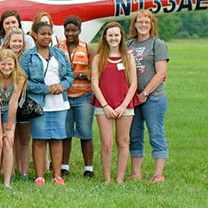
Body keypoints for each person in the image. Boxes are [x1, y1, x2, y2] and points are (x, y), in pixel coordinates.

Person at [20, 22, 74, 186]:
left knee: (57, 139)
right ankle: (39, 176)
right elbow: (23, 81)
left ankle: (57, 175)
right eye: (42, 33)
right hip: (39, 103)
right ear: (34, 35)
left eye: (49, 34)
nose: (46, 37)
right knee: (40, 139)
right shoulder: (28, 56)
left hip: (59, 103)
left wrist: (62, 86)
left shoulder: (59, 53)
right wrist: (45, 89)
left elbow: (69, 76)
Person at [91, 22, 139, 184]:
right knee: (106, 143)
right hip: (103, 106)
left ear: (121, 37)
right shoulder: (99, 58)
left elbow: (133, 84)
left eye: (116, 35)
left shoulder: (128, 57)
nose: (113, 38)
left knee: (123, 141)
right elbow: (94, 84)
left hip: (124, 106)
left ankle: (119, 179)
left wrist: (123, 105)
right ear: (105, 37)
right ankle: (107, 179)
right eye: (110, 35)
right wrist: (105, 106)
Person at [127, 9, 169, 183]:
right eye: (140, 21)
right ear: (135, 24)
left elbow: (161, 73)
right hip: (133, 98)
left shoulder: (157, 44)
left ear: (152, 25)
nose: (143, 25)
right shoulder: (128, 45)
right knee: (135, 135)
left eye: (147, 22)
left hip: (153, 98)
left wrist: (145, 93)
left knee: (155, 133)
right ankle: (136, 172)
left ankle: (158, 174)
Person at [57, 16, 95, 178]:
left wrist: (74, 73)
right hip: (64, 96)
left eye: (74, 30)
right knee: (65, 133)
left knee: (85, 133)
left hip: (83, 96)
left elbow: (91, 73)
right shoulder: (58, 47)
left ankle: (89, 169)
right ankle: (64, 167)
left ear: (80, 30)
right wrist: (77, 74)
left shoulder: (87, 48)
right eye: (67, 30)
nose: (70, 33)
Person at [0, 50, 25, 189]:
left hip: (8, 111)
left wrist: (8, 128)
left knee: (8, 142)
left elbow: (14, 103)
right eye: (3, 64)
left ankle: (7, 182)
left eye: (10, 64)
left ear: (15, 64)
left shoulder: (20, 78)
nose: (6, 67)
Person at [1, 28, 32, 178]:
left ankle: (24, 171)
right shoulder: (3, 58)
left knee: (25, 139)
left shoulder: (28, 58)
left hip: (24, 103)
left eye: (20, 41)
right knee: (10, 138)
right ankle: (10, 170)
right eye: (14, 41)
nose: (17, 44)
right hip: (7, 104)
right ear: (8, 42)